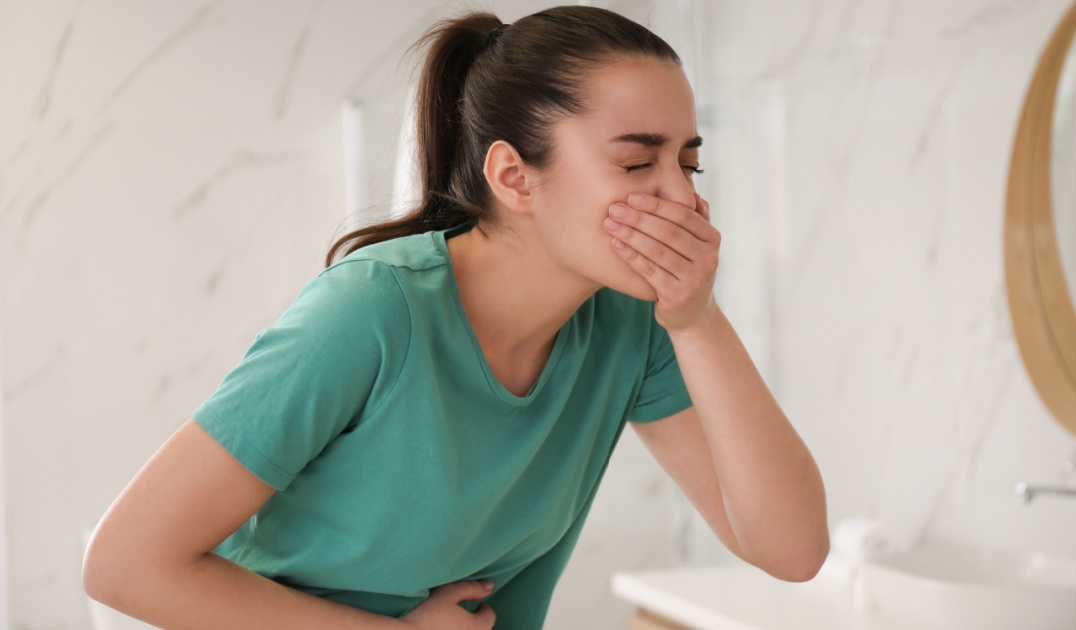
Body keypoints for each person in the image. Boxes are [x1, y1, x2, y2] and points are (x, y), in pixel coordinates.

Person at [81, 5, 828, 629]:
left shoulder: (635, 324)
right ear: (512, 176)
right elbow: (124, 566)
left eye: (689, 164)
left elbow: (792, 552)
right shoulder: (373, 311)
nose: (681, 198)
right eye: (638, 163)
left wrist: (698, 321)